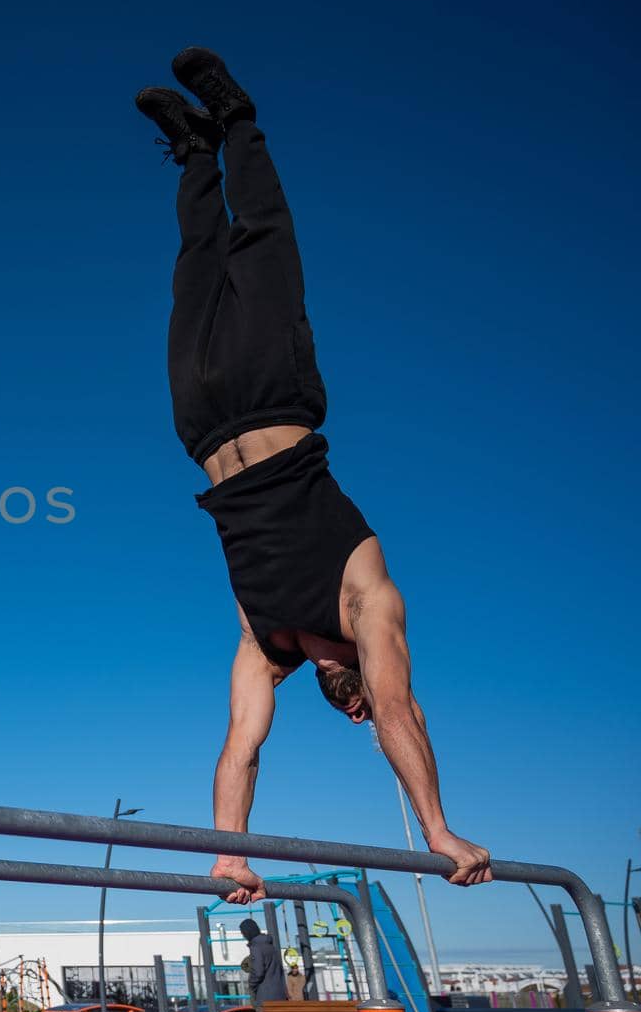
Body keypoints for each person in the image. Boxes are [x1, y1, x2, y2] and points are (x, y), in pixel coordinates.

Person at [132, 48, 493, 903]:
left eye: (350, 710)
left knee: (193, 273)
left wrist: (229, 853)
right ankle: (238, 119)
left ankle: (191, 152)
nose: (355, 707)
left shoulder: (267, 645)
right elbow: (402, 711)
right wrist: (438, 827)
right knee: (261, 247)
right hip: (274, 394)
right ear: (364, 682)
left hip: (203, 427)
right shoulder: (372, 604)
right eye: (361, 703)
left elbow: (242, 745)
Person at [239, 919, 287, 1004]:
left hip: (265, 996)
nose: (243, 935)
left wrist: (251, 984)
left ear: (248, 932)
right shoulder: (270, 945)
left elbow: (258, 972)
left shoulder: (256, 948)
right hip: (280, 994)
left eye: (243, 933)